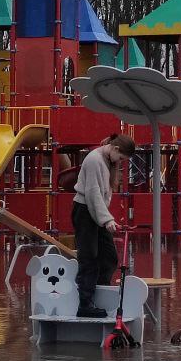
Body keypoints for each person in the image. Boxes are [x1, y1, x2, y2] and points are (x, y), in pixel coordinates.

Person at [72, 133, 136, 317]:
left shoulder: (107, 159)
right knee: (89, 257)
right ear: (115, 149)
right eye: (122, 158)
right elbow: (92, 194)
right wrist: (106, 219)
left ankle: (98, 294)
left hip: (96, 211)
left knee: (109, 257)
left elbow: (99, 196)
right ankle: (85, 304)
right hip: (84, 210)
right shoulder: (94, 160)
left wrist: (105, 218)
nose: (121, 162)